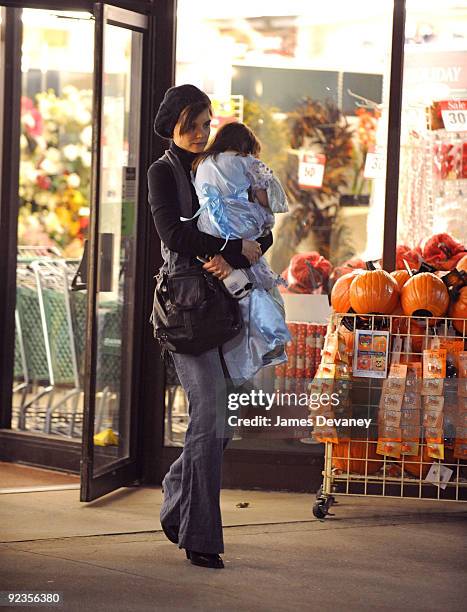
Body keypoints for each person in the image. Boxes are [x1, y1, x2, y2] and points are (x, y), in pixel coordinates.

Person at [147, 84, 273, 569]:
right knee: (212, 413)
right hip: (186, 310)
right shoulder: (164, 171)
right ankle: (199, 535)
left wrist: (251, 240)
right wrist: (225, 251)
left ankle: (177, 489)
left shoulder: (221, 165)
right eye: (193, 124)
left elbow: (257, 225)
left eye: (206, 124)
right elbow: (173, 233)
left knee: (221, 425)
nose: (202, 133)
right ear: (173, 122)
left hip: (228, 304)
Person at [190, 122, 291, 385]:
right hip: (240, 234)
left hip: (209, 231)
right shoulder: (247, 163)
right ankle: (259, 353)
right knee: (257, 298)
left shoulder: (200, 163)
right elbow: (269, 199)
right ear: (246, 146)